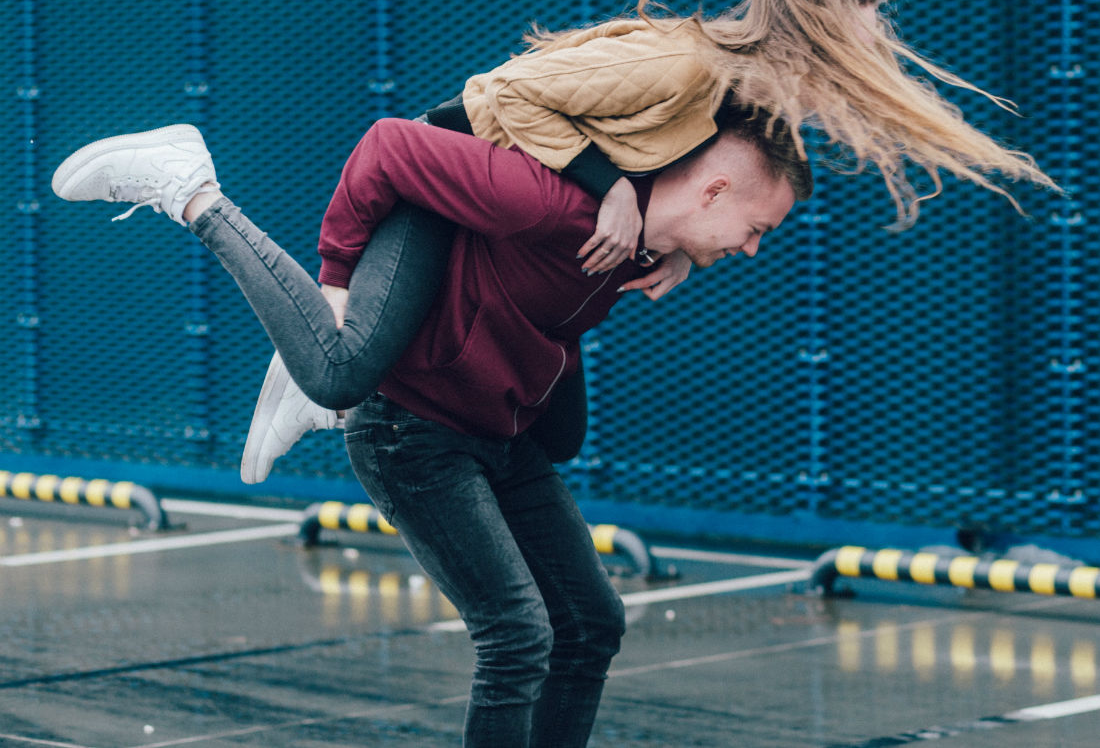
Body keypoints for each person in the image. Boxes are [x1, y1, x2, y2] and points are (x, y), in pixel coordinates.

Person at [52, 107, 809, 746]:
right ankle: (195, 196)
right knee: (517, 634)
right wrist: (338, 289)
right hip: (410, 429)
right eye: (755, 228)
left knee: (591, 621)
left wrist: (675, 250)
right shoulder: (555, 204)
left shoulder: (639, 241)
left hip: (497, 432)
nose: (750, 249)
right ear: (713, 190)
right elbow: (391, 143)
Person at [237, 0, 1059, 484]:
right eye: (871, 36)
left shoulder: (744, 106)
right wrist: (606, 190)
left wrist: (673, 248)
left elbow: (688, 189)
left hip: (510, 206)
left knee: (547, 434)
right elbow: (500, 95)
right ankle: (280, 315)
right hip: (444, 177)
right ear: (821, 34)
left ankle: (311, 381)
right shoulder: (688, 67)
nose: (879, 53)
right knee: (343, 365)